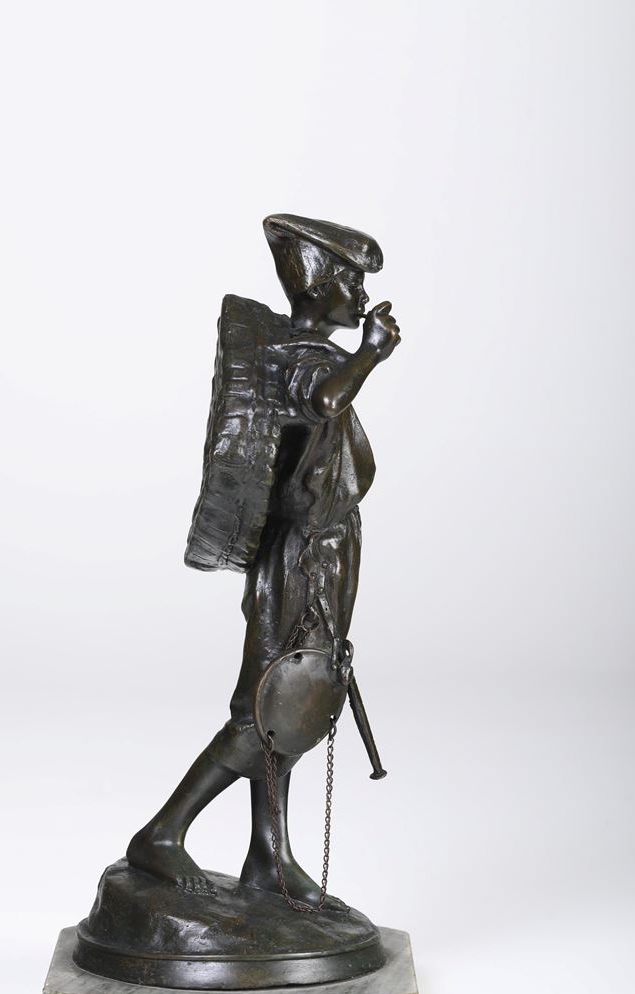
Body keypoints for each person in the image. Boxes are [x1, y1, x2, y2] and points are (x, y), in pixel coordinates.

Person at [127, 214, 401, 906]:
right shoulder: (302, 358)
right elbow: (326, 399)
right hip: (301, 556)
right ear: (317, 285)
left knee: (289, 706)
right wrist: (369, 354)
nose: (362, 297)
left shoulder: (309, 351)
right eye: (352, 283)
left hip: (325, 549)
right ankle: (162, 833)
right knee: (265, 707)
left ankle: (268, 856)